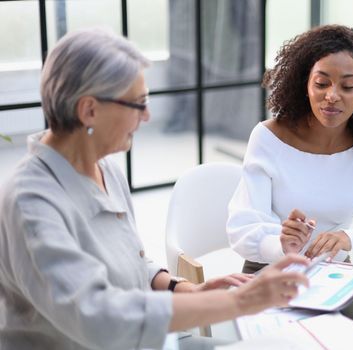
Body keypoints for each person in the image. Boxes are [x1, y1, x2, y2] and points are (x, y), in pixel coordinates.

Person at [0, 28, 310, 350]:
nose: (147, 116)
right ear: (89, 110)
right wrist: (240, 302)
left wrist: (183, 289)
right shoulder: (30, 202)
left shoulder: (103, 167)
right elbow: (99, 318)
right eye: (138, 103)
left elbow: (128, 263)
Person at [227, 25, 353, 326]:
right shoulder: (268, 138)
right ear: (305, 84)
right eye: (321, 83)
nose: (332, 96)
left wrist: (348, 237)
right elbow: (243, 228)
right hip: (271, 269)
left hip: (335, 273)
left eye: (348, 87)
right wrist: (283, 244)